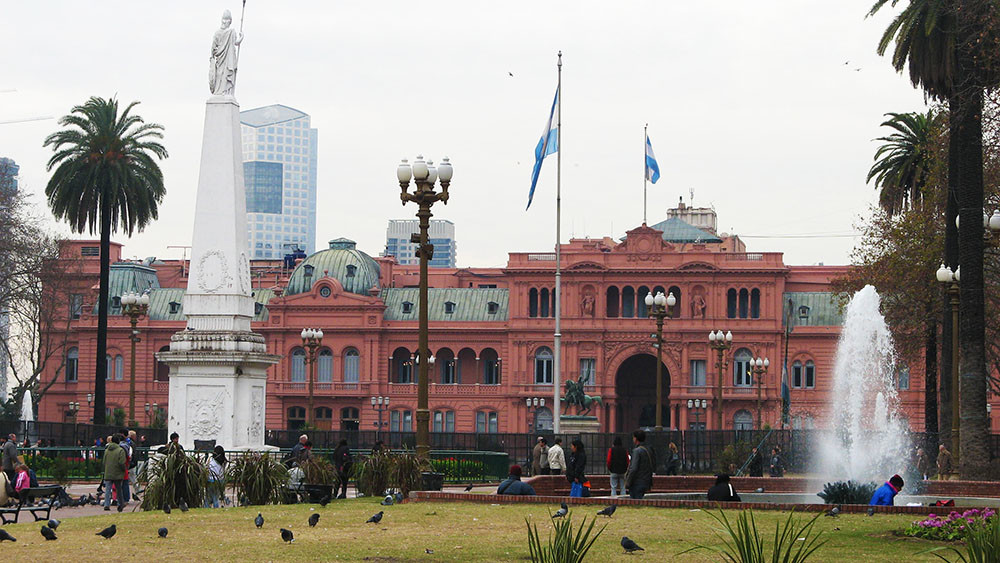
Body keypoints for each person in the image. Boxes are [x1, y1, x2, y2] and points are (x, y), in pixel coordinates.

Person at [624, 430, 654, 499]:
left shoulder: (637, 451)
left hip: (637, 482)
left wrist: (628, 482)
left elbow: (633, 468)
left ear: (635, 438)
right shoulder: (648, 450)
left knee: (635, 502)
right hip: (646, 481)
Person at [103, 433, 127, 512]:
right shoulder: (120, 450)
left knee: (107, 489)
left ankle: (106, 504)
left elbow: (104, 461)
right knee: (119, 489)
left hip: (108, 471)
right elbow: (121, 462)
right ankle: (120, 503)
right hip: (118, 472)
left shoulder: (106, 450)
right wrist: (124, 469)